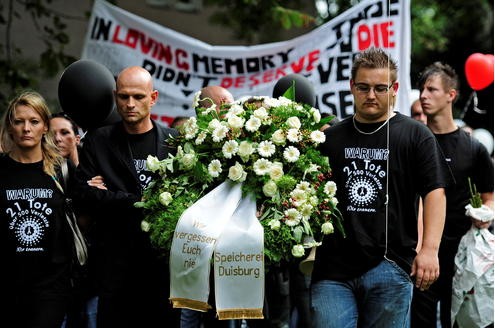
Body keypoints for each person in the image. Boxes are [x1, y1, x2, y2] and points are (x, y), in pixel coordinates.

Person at [311, 47, 448, 328]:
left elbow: (435, 192)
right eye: (363, 87)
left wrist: (430, 250)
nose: (371, 95)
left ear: (395, 88)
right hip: (332, 269)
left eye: (380, 88)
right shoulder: (330, 139)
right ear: (351, 86)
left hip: (391, 263)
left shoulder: (415, 135)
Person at [73, 66, 180, 328]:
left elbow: (182, 200)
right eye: (123, 97)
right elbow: (83, 194)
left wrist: (111, 195)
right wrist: (137, 200)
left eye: (138, 97)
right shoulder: (98, 141)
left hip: (162, 269)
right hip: (114, 268)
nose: (130, 104)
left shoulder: (173, 141)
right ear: (115, 96)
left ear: (153, 98)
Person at [411, 62, 494, 328]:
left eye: (432, 89)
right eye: (422, 89)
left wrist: (486, 214)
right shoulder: (411, 144)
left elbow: (489, 195)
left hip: (462, 257)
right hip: (418, 254)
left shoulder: (474, 149)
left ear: (451, 95)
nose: (423, 95)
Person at [0, 91, 77, 327]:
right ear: (10, 126)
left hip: (51, 286)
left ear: (45, 127)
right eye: (19, 121)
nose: (26, 128)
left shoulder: (60, 170)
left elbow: (80, 216)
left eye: (33, 121)